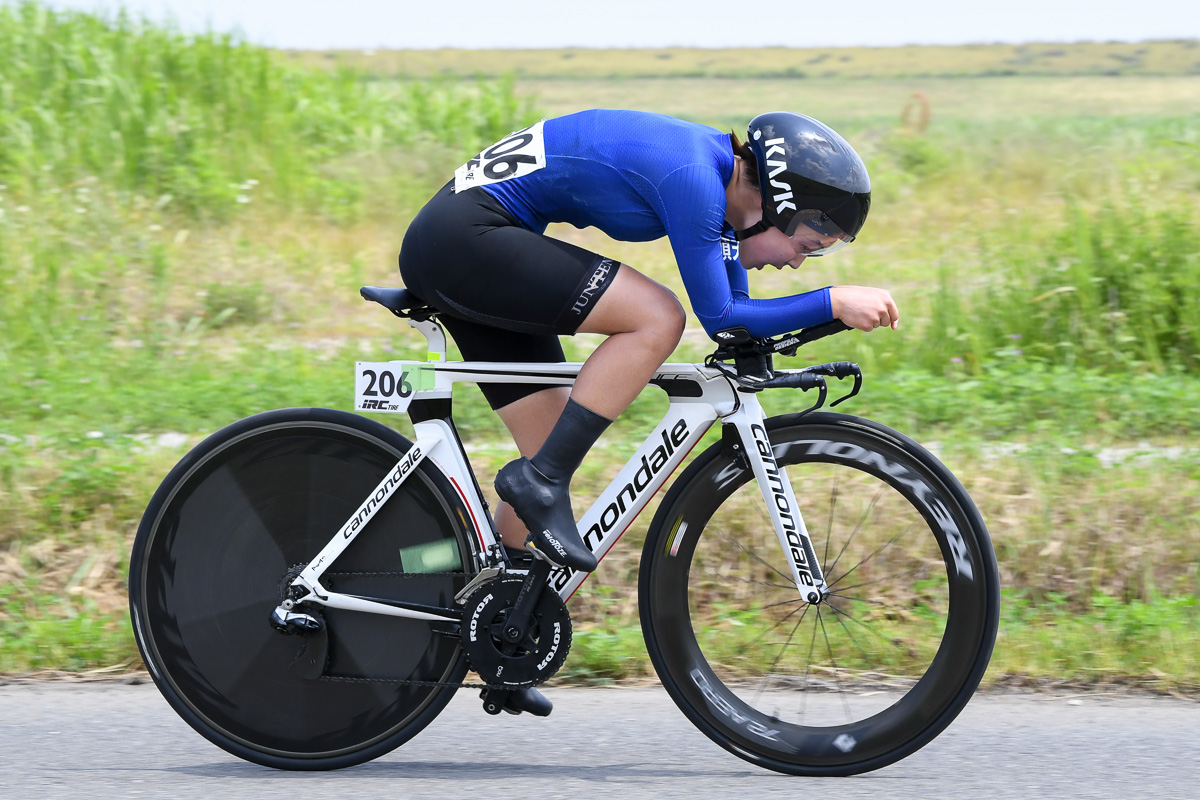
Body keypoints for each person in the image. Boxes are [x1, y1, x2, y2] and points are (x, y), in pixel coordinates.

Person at [398, 109, 897, 715]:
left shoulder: (721, 186)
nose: (797, 263)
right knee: (658, 318)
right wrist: (832, 302)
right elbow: (723, 318)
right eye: (806, 247)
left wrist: (814, 323)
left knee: (552, 439)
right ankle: (540, 481)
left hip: (472, 238)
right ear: (773, 204)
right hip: (463, 239)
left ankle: (477, 622)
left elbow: (738, 313)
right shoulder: (692, 176)